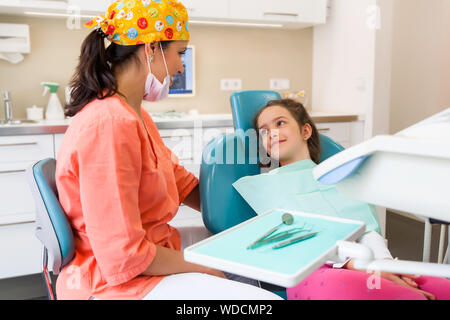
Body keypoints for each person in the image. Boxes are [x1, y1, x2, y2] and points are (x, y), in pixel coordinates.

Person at [55, 0, 280, 300]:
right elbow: (123, 255)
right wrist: (204, 267)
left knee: (243, 254)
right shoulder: (108, 124)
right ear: (150, 48)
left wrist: (256, 210)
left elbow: (183, 185)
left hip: (150, 251)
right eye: (179, 53)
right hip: (117, 282)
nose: (180, 66)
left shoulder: (135, 115)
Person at [246, 98, 450, 300]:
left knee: (441, 287)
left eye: (280, 123)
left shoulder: (342, 177)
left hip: (369, 260)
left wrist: (384, 264)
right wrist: (354, 264)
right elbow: (291, 246)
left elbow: (367, 231)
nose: (271, 133)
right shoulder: (266, 188)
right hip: (314, 271)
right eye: (263, 131)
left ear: (305, 131)